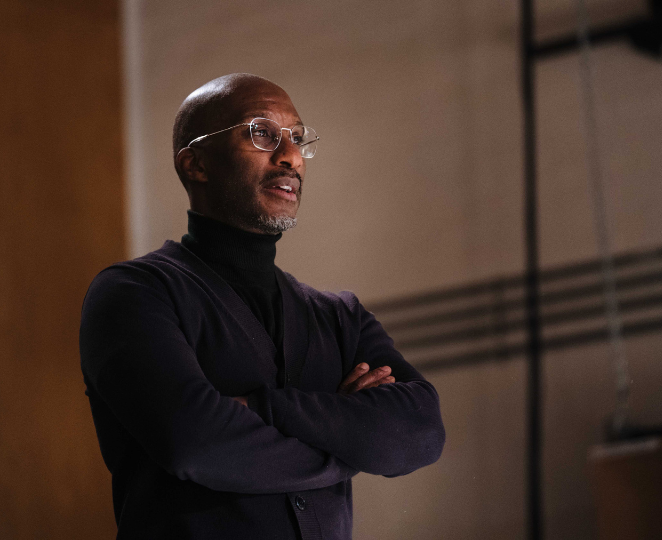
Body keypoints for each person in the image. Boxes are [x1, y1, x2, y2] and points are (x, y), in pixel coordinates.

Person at [79, 73, 445, 540]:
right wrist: (346, 437)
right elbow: (195, 444)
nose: (290, 156)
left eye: (296, 138)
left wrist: (257, 408)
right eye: (262, 133)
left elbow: (420, 432)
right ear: (196, 164)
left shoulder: (339, 317)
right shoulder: (135, 294)